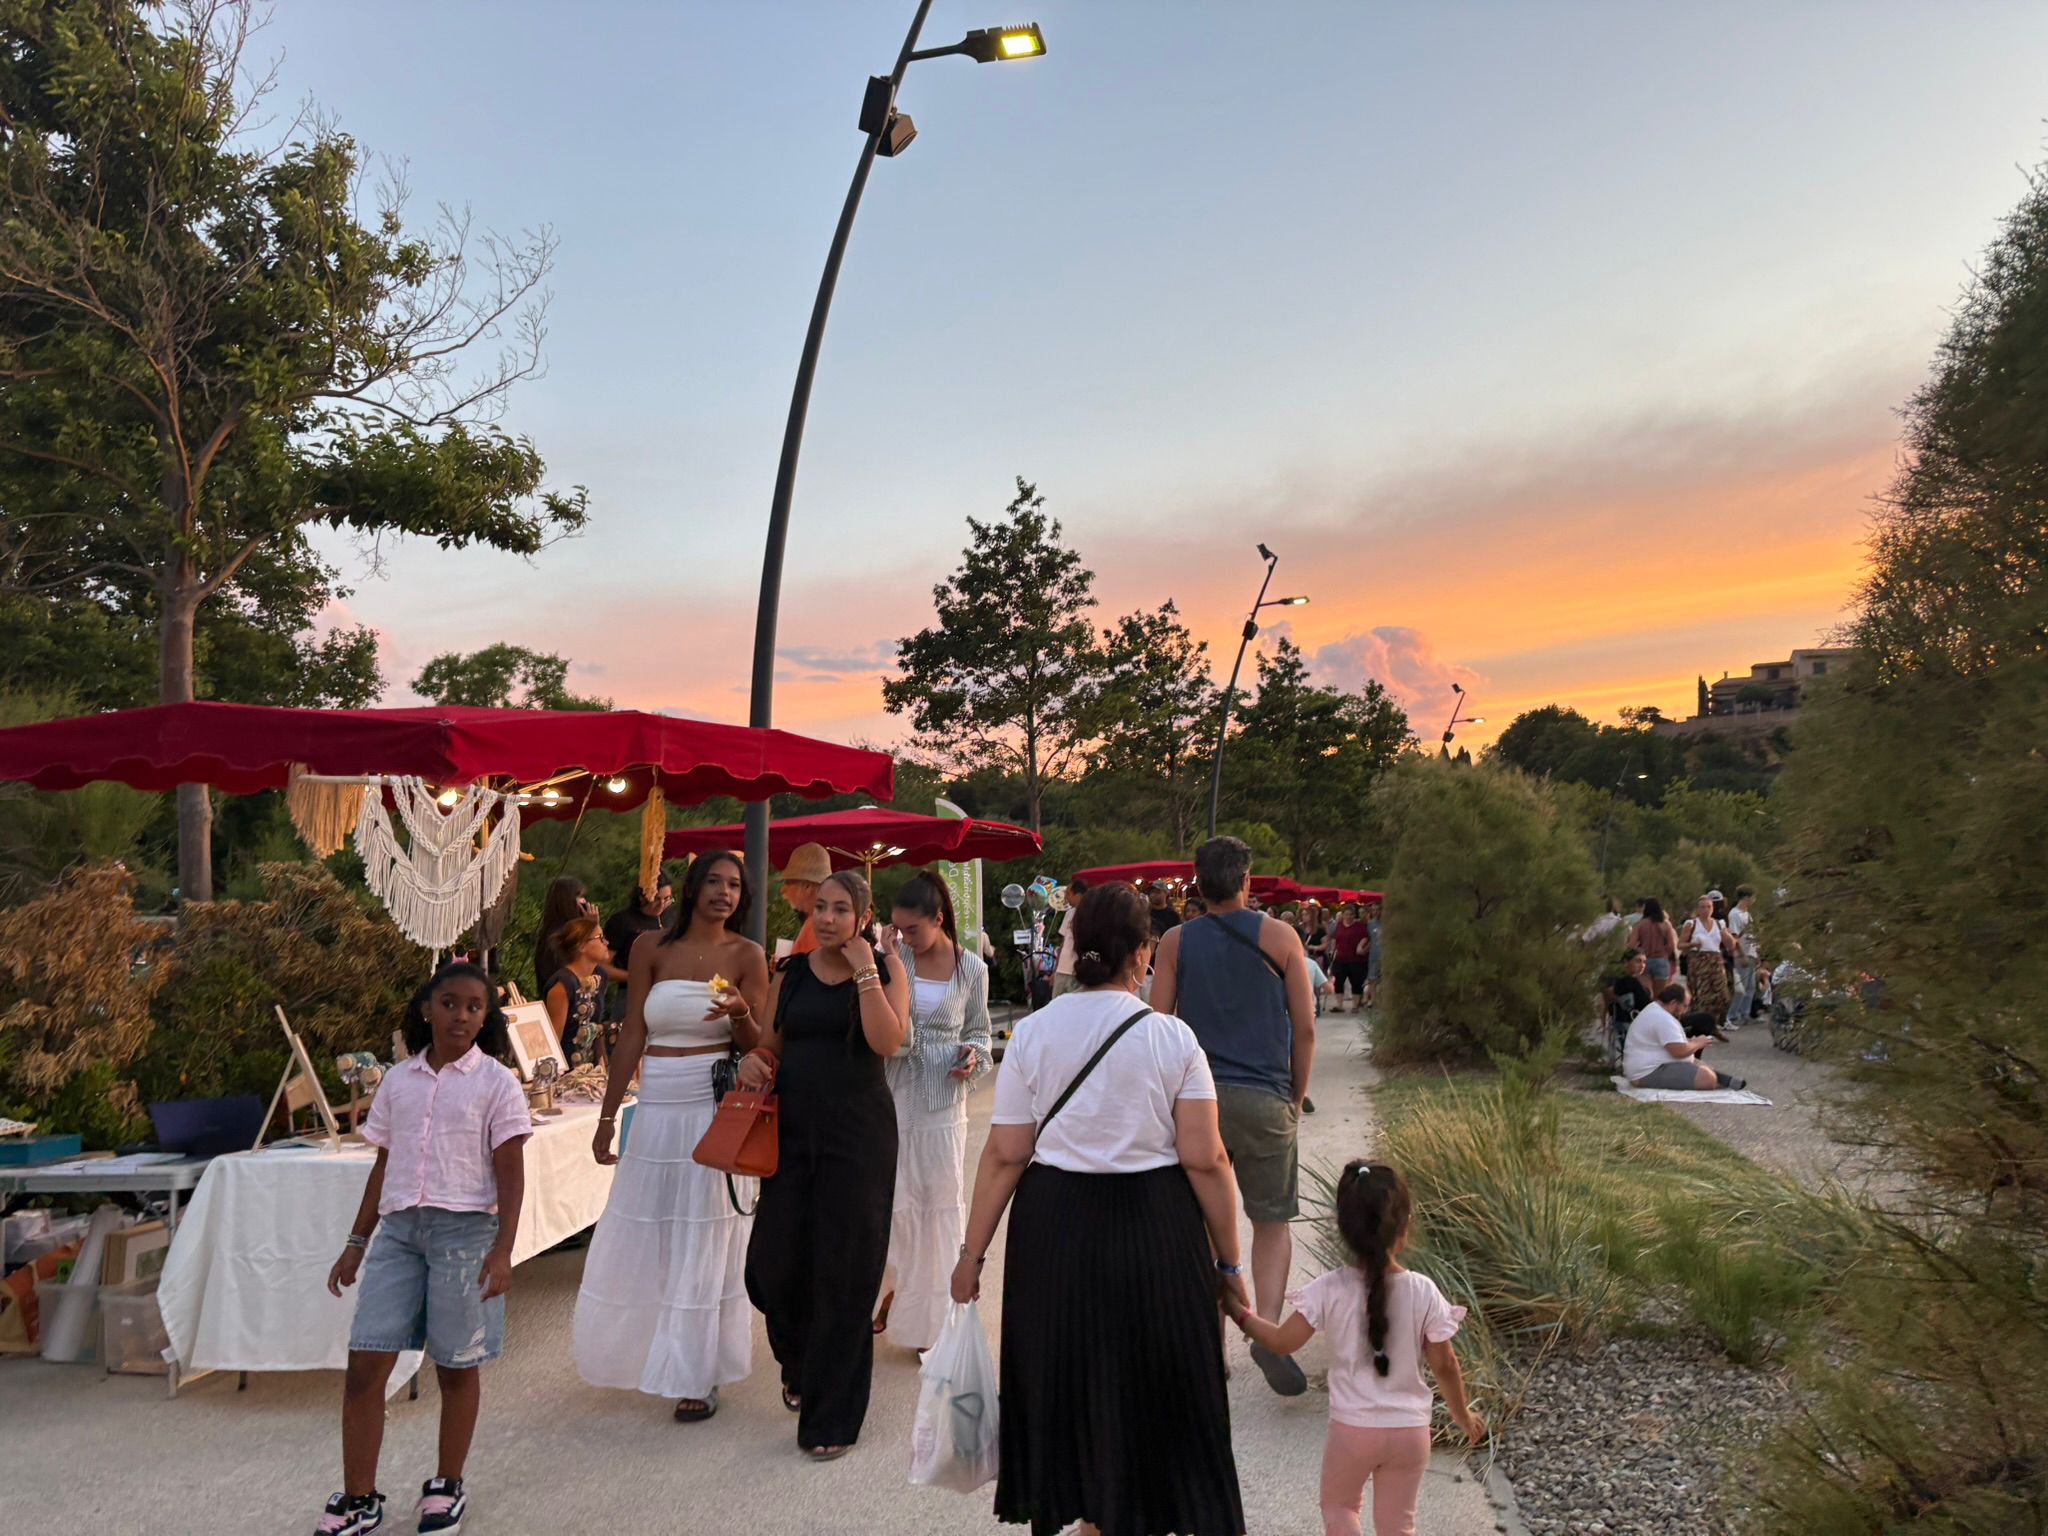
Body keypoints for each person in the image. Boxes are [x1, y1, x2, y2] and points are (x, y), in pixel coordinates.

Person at [952, 882, 1247, 1536]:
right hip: (1157, 1227)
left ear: (1076, 947)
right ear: (1142, 953)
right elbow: (1207, 1160)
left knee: (1070, 1379)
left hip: (1056, 1228)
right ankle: (1137, 1514)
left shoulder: (1033, 1033)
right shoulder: (1173, 1039)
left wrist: (971, 1256)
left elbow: (1005, 1155)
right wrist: (1229, 1264)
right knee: (1158, 1383)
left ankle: (1092, 1514)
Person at [319, 962, 529, 1536]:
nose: (460, 1015)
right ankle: (359, 1498)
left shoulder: (496, 1083)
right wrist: (356, 1242)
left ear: (485, 1018)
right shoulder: (398, 1082)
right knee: (366, 1362)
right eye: (449, 1003)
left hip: (465, 1235)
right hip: (399, 1235)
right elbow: (383, 1165)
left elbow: (511, 1173)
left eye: (474, 1007)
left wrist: (503, 1250)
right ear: (427, 1009)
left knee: (456, 1365)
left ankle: (446, 1485)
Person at [576, 851, 768, 1423]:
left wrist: (739, 1012)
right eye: (714, 881)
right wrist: (608, 1117)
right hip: (657, 1102)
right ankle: (656, 1352)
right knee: (654, 1230)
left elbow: (759, 1045)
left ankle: (698, 1371)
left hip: (713, 1100)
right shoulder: (648, 948)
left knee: (703, 1234)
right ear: (691, 887)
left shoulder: (747, 955)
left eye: (734, 885)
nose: (724, 892)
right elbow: (633, 1032)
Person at [740, 870, 910, 1458]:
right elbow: (770, 1046)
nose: (829, 918)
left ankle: (831, 1418)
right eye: (821, 908)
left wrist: (866, 970)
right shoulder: (788, 974)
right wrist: (755, 1061)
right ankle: (801, 1361)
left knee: (846, 1270)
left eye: (841, 909)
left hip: (859, 1138)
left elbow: (887, 1042)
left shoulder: (885, 971)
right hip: (792, 1134)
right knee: (772, 1266)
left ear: (864, 917)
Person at [1230, 1162, 1482, 1536]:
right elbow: (1445, 1364)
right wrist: (1462, 1415)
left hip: (1352, 1431)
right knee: (1399, 1525)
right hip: (1410, 1433)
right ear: (1405, 1226)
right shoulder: (1423, 1291)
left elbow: (1282, 1341)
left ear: (1344, 1229)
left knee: (1340, 1507)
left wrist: (1239, 1313)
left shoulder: (1330, 1289)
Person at [1151, 835, 1317, 1397]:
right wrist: (1295, 1095)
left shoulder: (1175, 941)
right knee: (1271, 1222)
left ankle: (1212, 1347)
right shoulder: (1282, 937)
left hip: (1199, 1102)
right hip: (1266, 1096)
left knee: (1203, 1226)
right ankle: (1266, 1328)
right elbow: (1305, 1027)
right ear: (1247, 881)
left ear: (1198, 884)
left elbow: (1159, 1024)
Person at [871, 872, 993, 1351]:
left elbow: (980, 1032)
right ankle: (891, 1291)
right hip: (892, 1090)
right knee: (893, 1198)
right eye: (898, 929)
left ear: (939, 920)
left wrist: (973, 1056)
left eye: (913, 930)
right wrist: (885, 955)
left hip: (943, 1098)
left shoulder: (972, 969)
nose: (906, 938)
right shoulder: (892, 958)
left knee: (937, 1201)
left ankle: (931, 1321)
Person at [1623, 981, 1746, 1091]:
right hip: (1648, 1072)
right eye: (1685, 1006)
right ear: (1673, 1003)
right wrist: (1697, 1043)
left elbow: (1668, 1043)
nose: (1685, 1011)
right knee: (1707, 1078)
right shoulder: (1663, 1018)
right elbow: (1679, 1052)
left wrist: (1689, 1042)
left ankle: (1724, 1080)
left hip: (1647, 1068)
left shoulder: (1655, 1011)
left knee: (1699, 1065)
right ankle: (1717, 1079)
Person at [543, 916, 611, 1067]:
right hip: (567, 1069)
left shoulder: (600, 976)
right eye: (600, 938)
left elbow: (596, 1026)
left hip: (589, 1068)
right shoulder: (562, 985)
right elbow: (554, 1039)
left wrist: (603, 1065)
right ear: (581, 946)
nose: (606, 942)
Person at [602, 876, 672, 1019]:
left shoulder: (672, 918)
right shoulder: (622, 922)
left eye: (667, 899)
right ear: (642, 897)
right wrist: (636, 977)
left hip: (669, 993)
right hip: (631, 994)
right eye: (656, 899)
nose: (662, 904)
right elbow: (602, 967)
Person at [533, 875, 594, 1000]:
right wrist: (592, 927)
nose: (584, 902)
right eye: (580, 897)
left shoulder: (557, 931)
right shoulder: (559, 936)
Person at [1679, 895, 1735, 1023]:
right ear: (1698, 909)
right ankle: (1701, 1022)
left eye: (1709, 907)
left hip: (1716, 960)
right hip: (1698, 961)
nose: (1706, 910)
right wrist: (1692, 944)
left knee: (1722, 994)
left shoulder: (1719, 924)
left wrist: (1726, 935)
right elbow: (1680, 945)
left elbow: (1731, 945)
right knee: (1702, 994)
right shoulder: (1691, 924)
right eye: (1702, 907)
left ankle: (1717, 1020)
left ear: (1713, 908)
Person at [778, 842, 832, 958]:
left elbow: (814, 967)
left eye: (788, 882)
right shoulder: (820, 921)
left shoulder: (818, 925)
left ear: (807, 886)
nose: (782, 889)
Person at [1726, 885, 1760, 1025]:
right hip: (1742, 954)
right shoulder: (1734, 914)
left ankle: (1744, 1013)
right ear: (1746, 897)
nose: (1754, 900)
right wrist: (1741, 954)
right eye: (1753, 897)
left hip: (1751, 952)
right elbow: (1734, 937)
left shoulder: (1747, 914)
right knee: (1741, 987)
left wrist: (1757, 953)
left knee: (1751, 986)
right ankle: (1733, 1015)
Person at [1051, 876, 1088, 1000]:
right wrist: (1056, 969)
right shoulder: (1069, 913)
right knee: (1056, 1003)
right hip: (1062, 969)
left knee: (1075, 1004)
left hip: (1077, 971)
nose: (1066, 897)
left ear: (1077, 894)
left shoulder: (1090, 914)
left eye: (1068, 893)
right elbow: (1063, 942)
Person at [1329, 902, 1371, 1013]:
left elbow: (1366, 939)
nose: (1349, 916)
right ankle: (1339, 1005)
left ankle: (1355, 1006)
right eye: (1347, 914)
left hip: (1356, 960)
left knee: (1356, 982)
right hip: (1340, 958)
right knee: (1338, 981)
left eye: (1351, 914)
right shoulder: (1339, 925)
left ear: (1354, 915)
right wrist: (1332, 950)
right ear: (1343, 914)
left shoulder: (1360, 927)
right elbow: (1334, 939)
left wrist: (1362, 947)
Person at [1629, 898, 1680, 985]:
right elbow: (1671, 945)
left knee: (1646, 990)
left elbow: (1631, 945)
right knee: (1662, 991)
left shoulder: (1639, 925)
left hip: (1645, 961)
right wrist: (1666, 954)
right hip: (1661, 960)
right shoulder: (1665, 924)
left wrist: (1640, 951)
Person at [1363, 899, 1385, 1008]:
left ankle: (1384, 1001)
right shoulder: (1370, 924)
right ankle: (1373, 1000)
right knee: (1372, 979)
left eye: (1377, 910)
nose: (1375, 912)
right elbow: (1370, 939)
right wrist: (1364, 949)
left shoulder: (1388, 923)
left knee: (1384, 979)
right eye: (1373, 910)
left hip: (1385, 955)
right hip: (1374, 955)